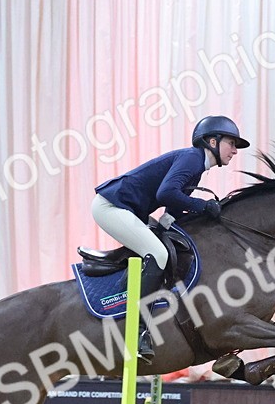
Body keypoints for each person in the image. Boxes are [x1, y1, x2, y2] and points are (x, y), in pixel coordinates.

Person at [92, 115, 249, 362]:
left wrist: (199, 214)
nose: (235, 151)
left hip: (126, 209)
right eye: (231, 143)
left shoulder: (197, 167)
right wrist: (202, 205)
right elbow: (166, 193)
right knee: (159, 254)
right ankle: (137, 330)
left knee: (165, 247)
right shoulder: (192, 158)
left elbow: (170, 213)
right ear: (212, 141)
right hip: (111, 207)